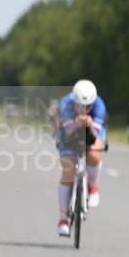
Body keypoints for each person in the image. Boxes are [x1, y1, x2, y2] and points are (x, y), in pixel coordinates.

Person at [55, 80, 107, 236]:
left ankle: (93, 186)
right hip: (69, 134)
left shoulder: (99, 106)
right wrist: (77, 124)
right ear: (74, 101)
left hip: (91, 133)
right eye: (80, 106)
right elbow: (68, 134)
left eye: (88, 107)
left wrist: (89, 125)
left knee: (94, 153)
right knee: (68, 169)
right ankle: (63, 219)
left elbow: (95, 136)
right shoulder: (66, 104)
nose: (84, 109)